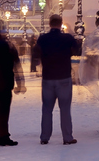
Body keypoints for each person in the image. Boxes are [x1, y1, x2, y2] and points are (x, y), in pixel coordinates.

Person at [33, 14, 80, 145]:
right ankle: (67, 137)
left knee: (47, 108)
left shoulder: (43, 39)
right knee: (65, 108)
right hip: (64, 77)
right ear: (61, 24)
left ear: (49, 24)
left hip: (48, 77)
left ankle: (44, 137)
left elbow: (36, 53)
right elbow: (77, 51)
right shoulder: (67, 38)